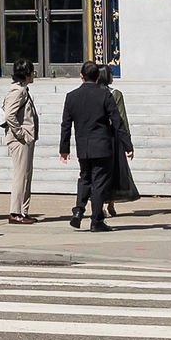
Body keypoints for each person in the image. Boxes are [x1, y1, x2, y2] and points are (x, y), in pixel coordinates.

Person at [59, 60, 133, 232]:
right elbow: (117, 122)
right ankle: (96, 220)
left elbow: (66, 125)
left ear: (81, 76)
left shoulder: (71, 96)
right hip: (102, 144)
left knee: (84, 178)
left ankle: (78, 210)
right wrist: (127, 144)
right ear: (97, 76)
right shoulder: (104, 95)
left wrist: (64, 149)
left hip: (83, 145)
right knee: (99, 182)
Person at [97, 64, 139, 216]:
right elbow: (121, 119)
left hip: (97, 137)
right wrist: (127, 140)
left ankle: (100, 204)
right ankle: (111, 203)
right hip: (113, 137)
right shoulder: (115, 94)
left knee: (100, 173)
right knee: (114, 171)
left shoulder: (93, 93)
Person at [1, 59, 39, 225]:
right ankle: (15, 212)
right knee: (20, 176)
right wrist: (21, 133)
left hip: (26, 138)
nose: (34, 74)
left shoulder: (23, 90)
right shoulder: (17, 92)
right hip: (20, 140)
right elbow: (9, 115)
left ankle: (23, 211)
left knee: (26, 175)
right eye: (31, 71)